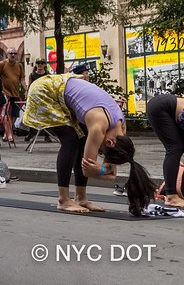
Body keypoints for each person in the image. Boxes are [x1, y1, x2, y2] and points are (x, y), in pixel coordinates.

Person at [23, 73, 156, 215]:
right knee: (71, 140)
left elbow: (111, 169)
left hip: (61, 89)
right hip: (45, 90)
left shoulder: (120, 129)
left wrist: (107, 170)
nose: (100, 151)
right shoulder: (99, 126)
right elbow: (87, 168)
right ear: (109, 142)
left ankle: (80, 197)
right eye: (102, 151)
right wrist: (103, 172)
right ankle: (63, 200)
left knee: (82, 140)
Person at [146, 94, 184, 208]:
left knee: (176, 148)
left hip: (164, 106)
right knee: (175, 148)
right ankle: (172, 197)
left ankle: (171, 191)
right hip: (160, 107)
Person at [0, 49, 26, 135]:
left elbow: (22, 79)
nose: (13, 55)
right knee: (7, 114)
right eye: (11, 53)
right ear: (7, 54)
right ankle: (8, 134)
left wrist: (26, 90)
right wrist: (0, 91)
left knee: (14, 115)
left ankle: (7, 133)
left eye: (15, 53)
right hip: (5, 93)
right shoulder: (1, 64)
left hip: (15, 93)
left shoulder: (19, 65)